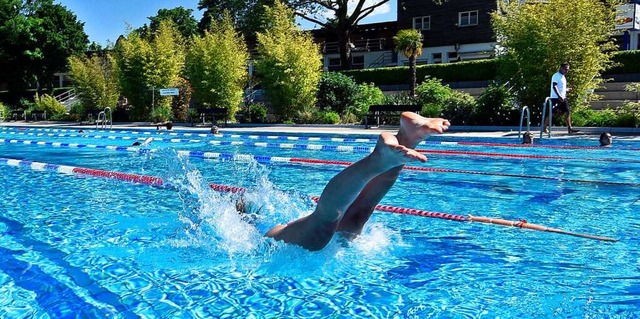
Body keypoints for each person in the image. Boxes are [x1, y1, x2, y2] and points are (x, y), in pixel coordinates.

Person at [265, 112, 450, 251]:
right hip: (285, 229)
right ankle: (409, 137)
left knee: (322, 226)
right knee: (357, 215)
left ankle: (379, 159)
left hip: (273, 236)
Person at [543, 62, 579, 135]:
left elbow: (561, 88)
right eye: (565, 69)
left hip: (563, 98)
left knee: (567, 112)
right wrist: (559, 96)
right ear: (561, 68)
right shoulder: (556, 76)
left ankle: (570, 128)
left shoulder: (563, 77)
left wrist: (566, 90)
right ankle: (544, 128)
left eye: (568, 69)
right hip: (555, 98)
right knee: (552, 113)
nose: (566, 71)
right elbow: (554, 86)